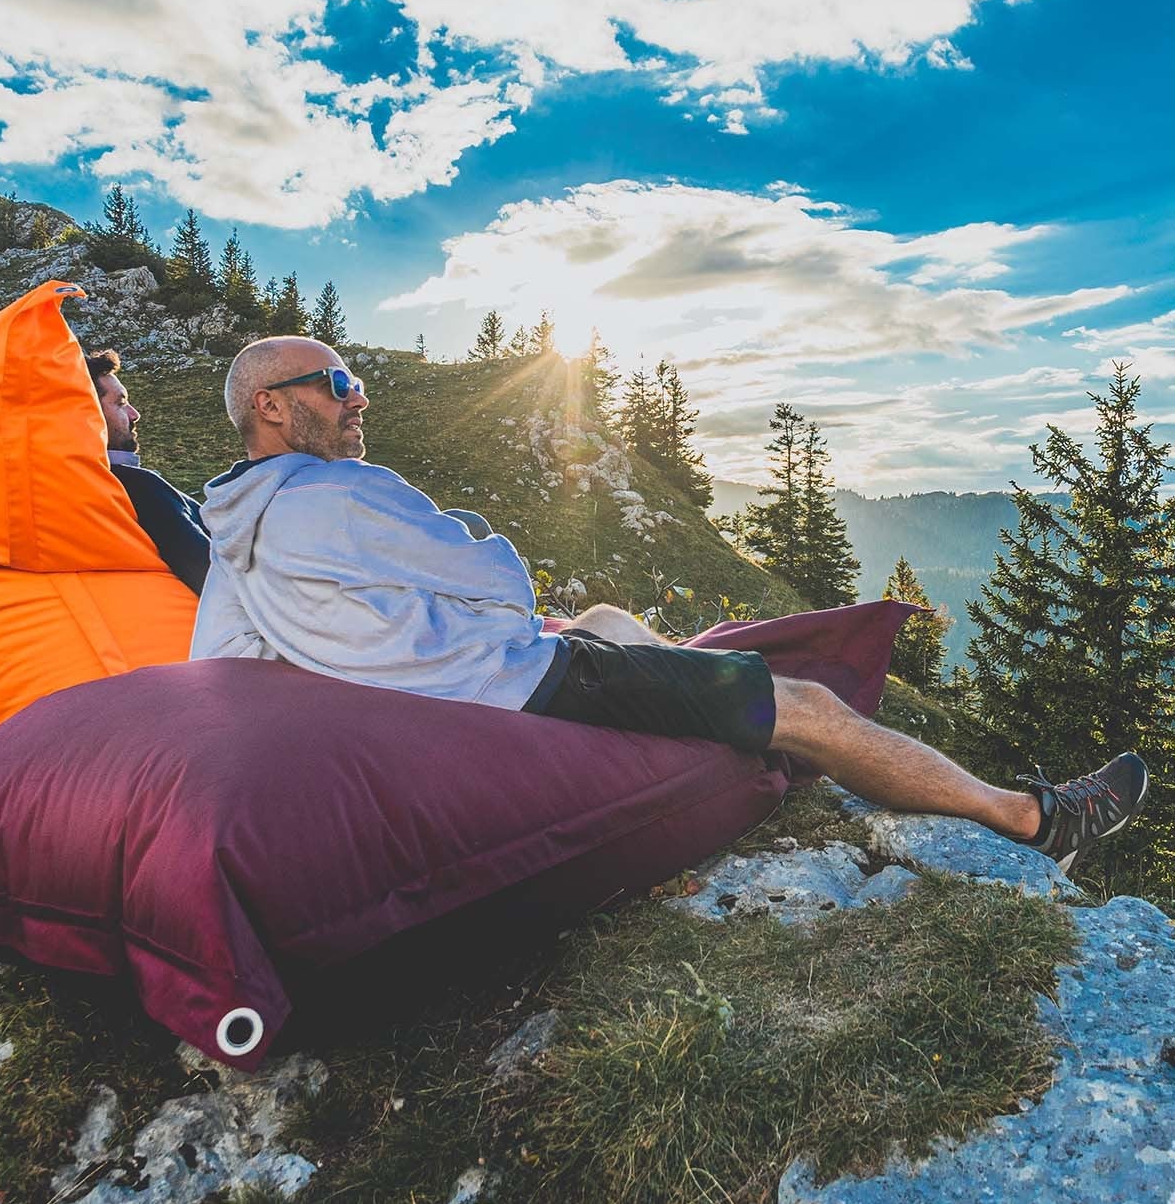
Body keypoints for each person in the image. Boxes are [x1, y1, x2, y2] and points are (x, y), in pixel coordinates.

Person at [190, 336, 1149, 876]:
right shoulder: (337, 494)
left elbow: (224, 663)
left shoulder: (236, 521)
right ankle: (1034, 818)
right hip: (516, 680)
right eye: (340, 384)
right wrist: (473, 544)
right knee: (803, 705)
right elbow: (503, 580)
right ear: (273, 406)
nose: (360, 400)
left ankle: (694, 684)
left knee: (609, 616)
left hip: (455, 682)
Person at [84, 348, 210, 596]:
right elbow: (212, 575)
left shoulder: (51, 492)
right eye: (120, 403)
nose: (135, 414)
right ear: (90, 414)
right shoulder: (137, 488)